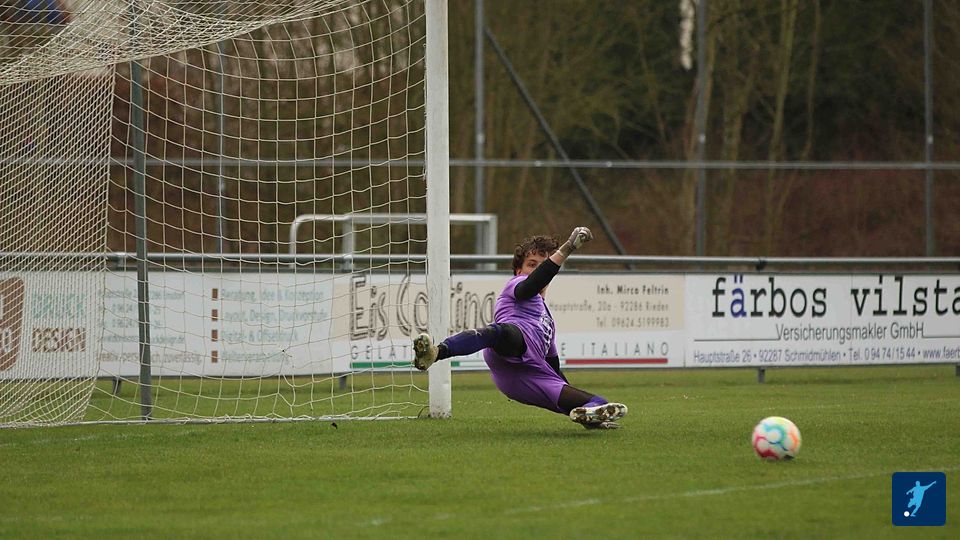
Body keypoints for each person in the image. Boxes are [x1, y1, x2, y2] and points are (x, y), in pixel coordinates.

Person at [412, 226, 628, 429]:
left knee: (601, 402)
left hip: (529, 374)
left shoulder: (548, 320)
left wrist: (568, 394)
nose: (537, 270)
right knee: (500, 332)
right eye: (532, 264)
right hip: (510, 348)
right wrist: (568, 247)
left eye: (542, 265)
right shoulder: (516, 284)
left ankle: (591, 416)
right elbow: (529, 286)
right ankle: (437, 352)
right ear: (518, 271)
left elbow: (552, 364)